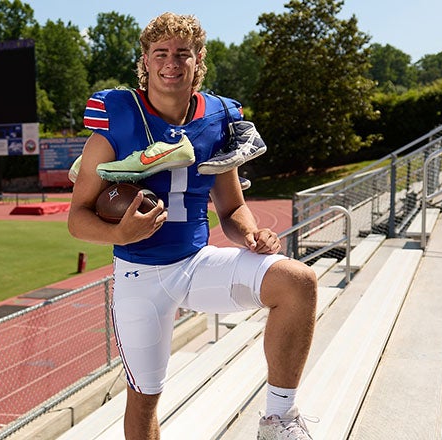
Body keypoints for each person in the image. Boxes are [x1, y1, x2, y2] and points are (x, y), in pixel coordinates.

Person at [67, 12, 317, 440]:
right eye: (160, 53)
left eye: (182, 53)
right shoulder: (118, 119)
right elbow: (77, 218)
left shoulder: (218, 118)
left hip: (197, 262)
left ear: (198, 59)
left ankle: (278, 420)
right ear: (145, 61)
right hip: (140, 274)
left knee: (298, 281)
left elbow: (232, 207)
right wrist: (117, 234)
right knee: (145, 395)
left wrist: (252, 233)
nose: (171, 62)